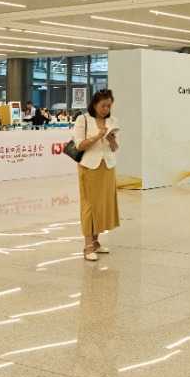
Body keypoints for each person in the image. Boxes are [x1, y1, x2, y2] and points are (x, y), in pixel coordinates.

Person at [72, 88, 121, 260]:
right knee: (89, 205)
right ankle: (87, 246)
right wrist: (97, 137)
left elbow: (114, 148)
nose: (106, 109)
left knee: (101, 205)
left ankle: (95, 242)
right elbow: (79, 145)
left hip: (107, 166)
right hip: (89, 166)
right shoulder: (83, 119)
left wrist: (112, 141)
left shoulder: (113, 121)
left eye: (109, 106)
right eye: (103, 106)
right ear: (94, 104)